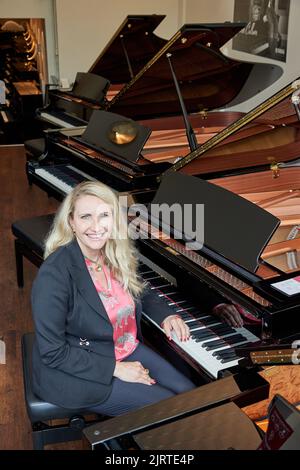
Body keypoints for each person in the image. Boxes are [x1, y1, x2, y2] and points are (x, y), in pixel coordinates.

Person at [31, 181, 243, 416]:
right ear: (71, 221)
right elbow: (52, 352)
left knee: (191, 394)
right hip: (77, 370)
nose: (96, 226)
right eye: (85, 217)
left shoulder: (112, 252)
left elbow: (138, 287)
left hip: (123, 347)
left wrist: (167, 314)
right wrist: (116, 369)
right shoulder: (55, 274)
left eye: (104, 215)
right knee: (173, 408)